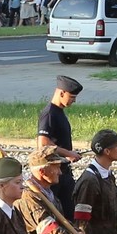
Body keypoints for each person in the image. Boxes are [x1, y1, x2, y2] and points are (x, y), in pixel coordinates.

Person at [37, 76, 83, 220]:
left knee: (70, 211)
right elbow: (43, 143)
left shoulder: (59, 112)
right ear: (62, 93)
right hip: (54, 173)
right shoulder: (49, 113)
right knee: (58, 213)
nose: (74, 101)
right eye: (72, 97)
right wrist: (68, 153)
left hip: (63, 171)